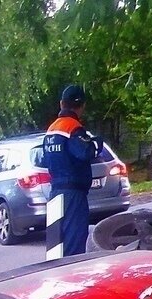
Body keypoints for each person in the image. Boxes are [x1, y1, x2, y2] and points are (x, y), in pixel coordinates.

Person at [41, 84, 102, 256]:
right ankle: (72, 281)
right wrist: (96, 142)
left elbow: (45, 160)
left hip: (55, 193)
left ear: (61, 104)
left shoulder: (51, 130)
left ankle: (54, 279)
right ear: (82, 106)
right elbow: (86, 152)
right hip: (73, 195)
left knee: (55, 248)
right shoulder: (73, 128)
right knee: (74, 246)